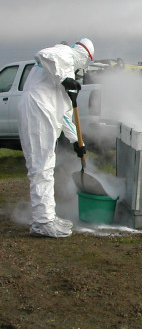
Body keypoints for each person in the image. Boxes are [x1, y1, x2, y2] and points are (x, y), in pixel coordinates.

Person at [18, 38, 94, 238]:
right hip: (38, 110)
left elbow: (66, 114)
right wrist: (63, 79)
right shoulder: (64, 54)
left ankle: (47, 216)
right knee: (41, 166)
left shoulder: (65, 68)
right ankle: (42, 222)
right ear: (84, 56)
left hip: (45, 112)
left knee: (45, 166)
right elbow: (44, 55)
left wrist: (77, 142)